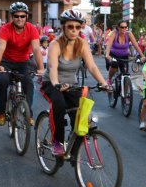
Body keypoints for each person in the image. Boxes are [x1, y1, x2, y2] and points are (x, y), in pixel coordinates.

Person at [40, 10, 109, 156]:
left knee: (82, 110)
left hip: (71, 84)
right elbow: (52, 67)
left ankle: (74, 149)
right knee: (59, 104)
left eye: (78, 27)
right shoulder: (55, 44)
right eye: (70, 27)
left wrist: (104, 84)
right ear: (63, 27)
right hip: (51, 83)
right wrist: (56, 84)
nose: (74, 30)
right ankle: (57, 142)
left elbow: (92, 67)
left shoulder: (82, 44)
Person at [0, 2, 44, 126]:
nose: (19, 19)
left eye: (22, 16)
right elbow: (0, 47)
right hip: (6, 62)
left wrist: (41, 68)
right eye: (16, 16)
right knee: (1, 82)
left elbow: (36, 49)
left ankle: (28, 113)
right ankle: (1, 111)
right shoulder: (5, 29)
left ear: (26, 16)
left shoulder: (32, 29)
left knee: (29, 83)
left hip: (24, 62)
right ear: (12, 17)